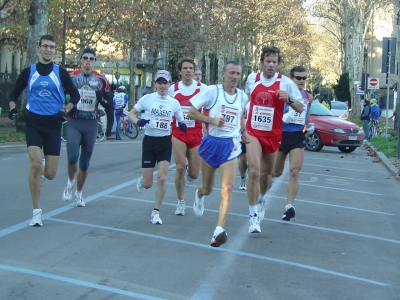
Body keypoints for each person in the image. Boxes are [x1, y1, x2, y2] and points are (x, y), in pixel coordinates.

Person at [8, 34, 80, 226]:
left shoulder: (61, 73)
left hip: (53, 125)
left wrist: (65, 110)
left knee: (50, 174)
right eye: (45, 46)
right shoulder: (29, 72)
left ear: (54, 51)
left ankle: (41, 175)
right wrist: (13, 108)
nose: (48, 50)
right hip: (33, 123)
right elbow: (13, 94)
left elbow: (75, 95)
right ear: (38, 48)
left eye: (52, 47)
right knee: (35, 164)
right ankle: (36, 212)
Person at [188, 61, 250, 247]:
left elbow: (241, 116)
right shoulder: (212, 91)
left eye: (238, 74)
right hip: (211, 143)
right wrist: (212, 120)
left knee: (227, 189)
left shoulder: (242, 97)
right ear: (223, 74)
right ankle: (199, 195)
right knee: (207, 188)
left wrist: (244, 131)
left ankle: (218, 230)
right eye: (231, 73)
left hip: (231, 145)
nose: (235, 77)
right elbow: (191, 112)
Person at [244, 46, 304, 234]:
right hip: (253, 132)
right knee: (254, 170)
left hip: (273, 134)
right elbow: (245, 99)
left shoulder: (285, 83)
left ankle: (261, 198)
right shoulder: (252, 79)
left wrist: (288, 100)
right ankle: (253, 215)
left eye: (274, 62)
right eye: (268, 61)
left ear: (278, 64)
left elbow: (301, 108)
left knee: (265, 175)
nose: (271, 65)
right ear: (261, 62)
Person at [127, 70, 186, 225]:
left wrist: (182, 125)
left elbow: (180, 120)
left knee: (162, 177)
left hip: (165, 143)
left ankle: (156, 212)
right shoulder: (147, 99)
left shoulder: (174, 102)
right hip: (149, 142)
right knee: (148, 184)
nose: (162, 85)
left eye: (165, 82)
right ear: (154, 84)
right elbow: (131, 114)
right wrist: (137, 121)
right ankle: (142, 180)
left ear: (170, 84)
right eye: (159, 82)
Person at [62, 47, 111, 207]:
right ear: (80, 60)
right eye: (85, 58)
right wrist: (64, 108)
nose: (88, 61)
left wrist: (103, 106)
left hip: (91, 123)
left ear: (95, 61)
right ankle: (70, 182)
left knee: (84, 164)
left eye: (91, 59)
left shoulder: (101, 80)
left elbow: (107, 102)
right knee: (72, 157)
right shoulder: (71, 77)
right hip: (74, 121)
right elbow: (60, 95)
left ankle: (79, 192)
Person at [272, 66, 314, 222]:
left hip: (297, 135)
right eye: (298, 78)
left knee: (295, 171)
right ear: (291, 78)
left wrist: (309, 126)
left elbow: (306, 115)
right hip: (281, 134)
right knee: (276, 172)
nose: (301, 81)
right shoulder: (283, 93)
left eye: (304, 78)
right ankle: (264, 190)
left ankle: (288, 207)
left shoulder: (308, 97)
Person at [168, 58, 207, 216]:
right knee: (179, 167)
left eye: (191, 68)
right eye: (185, 68)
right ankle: (181, 203)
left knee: (194, 174)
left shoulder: (202, 88)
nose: (189, 71)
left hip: (196, 132)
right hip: (178, 132)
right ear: (180, 71)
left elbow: (210, 106)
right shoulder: (173, 89)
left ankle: (192, 175)